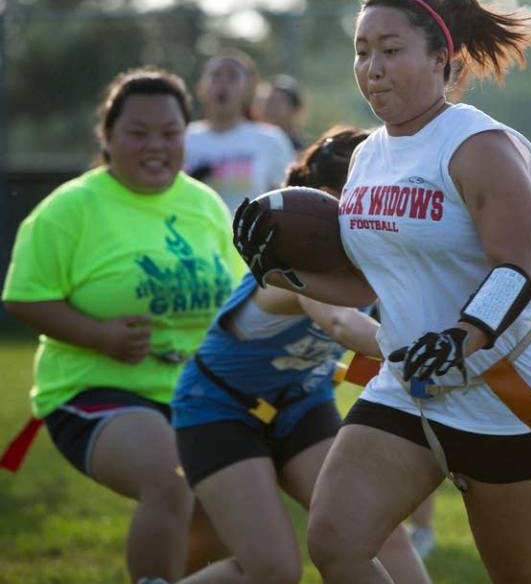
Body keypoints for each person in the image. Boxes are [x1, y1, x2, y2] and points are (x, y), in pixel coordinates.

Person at [232, 0, 531, 584]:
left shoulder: (479, 145)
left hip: (501, 391)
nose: (371, 66)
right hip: (407, 385)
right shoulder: (370, 155)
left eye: (391, 50)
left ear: (442, 58)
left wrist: (463, 337)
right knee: (335, 540)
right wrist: (282, 272)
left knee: (527, 573)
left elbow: (520, 270)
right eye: (362, 51)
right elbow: (369, 281)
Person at [1, 67, 236, 583]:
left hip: (193, 394)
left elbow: (239, 297)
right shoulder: (68, 209)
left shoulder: (205, 206)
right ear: (107, 137)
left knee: (228, 516)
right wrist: (100, 335)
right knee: (171, 480)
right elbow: (23, 298)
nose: (156, 146)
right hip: (92, 389)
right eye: (138, 132)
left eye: (170, 133)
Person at [172, 127, 429, 584]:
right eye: (375, 195)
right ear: (327, 200)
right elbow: (342, 324)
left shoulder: (369, 260)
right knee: (271, 569)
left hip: (300, 405)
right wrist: (420, 355)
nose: (386, 211)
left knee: (379, 536)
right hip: (218, 411)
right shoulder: (293, 264)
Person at [185, 49, 297, 211]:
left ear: (249, 89)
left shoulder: (270, 140)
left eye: (233, 77)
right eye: (215, 76)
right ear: (201, 88)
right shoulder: (184, 138)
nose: (223, 84)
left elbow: (286, 201)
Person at [254, 74, 308, 151]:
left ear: (294, 109)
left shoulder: (303, 150)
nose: (271, 108)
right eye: (269, 101)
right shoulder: (254, 144)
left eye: (279, 102)